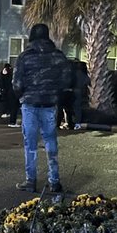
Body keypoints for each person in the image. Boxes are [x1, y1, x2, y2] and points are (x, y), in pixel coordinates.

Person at [13, 23, 71, 194]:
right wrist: (54, 93)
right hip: (49, 104)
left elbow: (16, 84)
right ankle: (54, 181)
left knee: (30, 144)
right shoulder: (58, 56)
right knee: (50, 142)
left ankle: (31, 181)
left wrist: (24, 95)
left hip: (30, 104)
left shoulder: (25, 57)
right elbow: (67, 80)